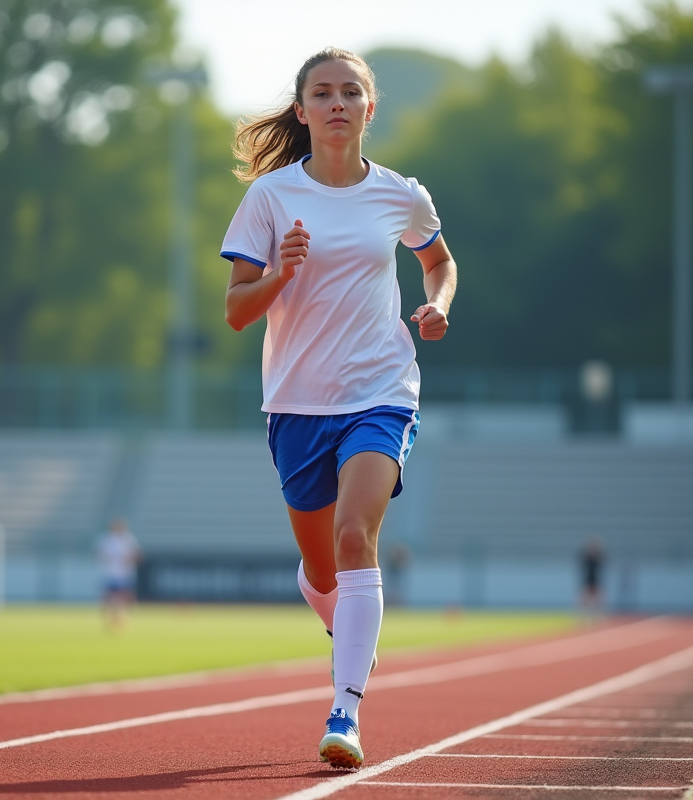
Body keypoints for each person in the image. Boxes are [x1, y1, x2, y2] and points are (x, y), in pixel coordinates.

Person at [221, 47, 457, 770]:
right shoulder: (269, 198)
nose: (336, 104)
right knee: (324, 574)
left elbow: (438, 260)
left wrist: (437, 305)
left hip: (381, 392)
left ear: (369, 108)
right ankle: (340, 613)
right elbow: (235, 312)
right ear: (302, 110)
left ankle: (345, 711)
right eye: (321, 93)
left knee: (357, 536)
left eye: (350, 92)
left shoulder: (400, 194)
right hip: (296, 405)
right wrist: (282, 275)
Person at [96, 517, 141, 633]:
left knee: (125, 597)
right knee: (109, 597)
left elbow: (137, 555)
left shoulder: (128, 539)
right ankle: (110, 619)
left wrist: (130, 559)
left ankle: (124, 618)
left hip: (125, 574)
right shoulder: (106, 539)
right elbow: (98, 554)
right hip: (110, 573)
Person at [579, 536, 605, 624]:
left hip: (596, 580)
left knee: (597, 602)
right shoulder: (586, 556)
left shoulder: (599, 556)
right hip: (587, 580)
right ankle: (583, 619)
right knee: (585, 601)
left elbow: (601, 566)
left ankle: (597, 618)